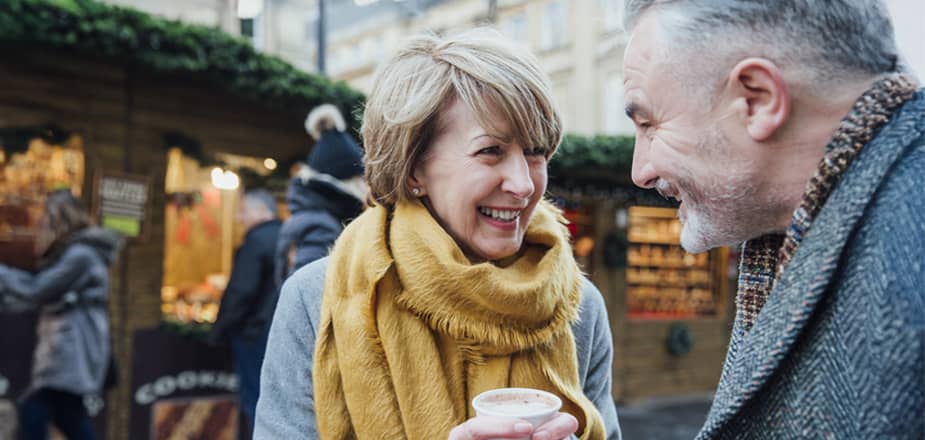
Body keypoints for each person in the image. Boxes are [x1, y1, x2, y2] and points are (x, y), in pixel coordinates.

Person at [255, 29, 622, 440]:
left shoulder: (578, 306)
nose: (522, 184)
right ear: (414, 169)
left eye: (536, 152)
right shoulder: (316, 298)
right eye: (490, 151)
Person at [622, 1, 924, 438]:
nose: (640, 171)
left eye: (649, 123)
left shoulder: (905, 270)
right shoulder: (804, 231)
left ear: (757, 100)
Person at [0, 190, 123, 440]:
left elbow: (37, 289)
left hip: (72, 349)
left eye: (45, 219)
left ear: (58, 220)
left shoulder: (81, 256)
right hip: (68, 348)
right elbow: (42, 294)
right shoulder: (78, 253)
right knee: (68, 416)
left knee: (34, 410)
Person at [209, 189, 282, 436]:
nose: (240, 218)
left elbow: (240, 292)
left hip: (253, 336)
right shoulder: (289, 238)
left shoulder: (256, 241)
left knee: (255, 405)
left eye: (243, 211)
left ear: (262, 211)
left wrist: (218, 332)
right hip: (279, 334)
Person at [273, 103, 367, 290]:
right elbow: (311, 291)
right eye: (361, 178)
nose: (366, 186)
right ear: (348, 181)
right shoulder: (320, 224)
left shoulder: (313, 215)